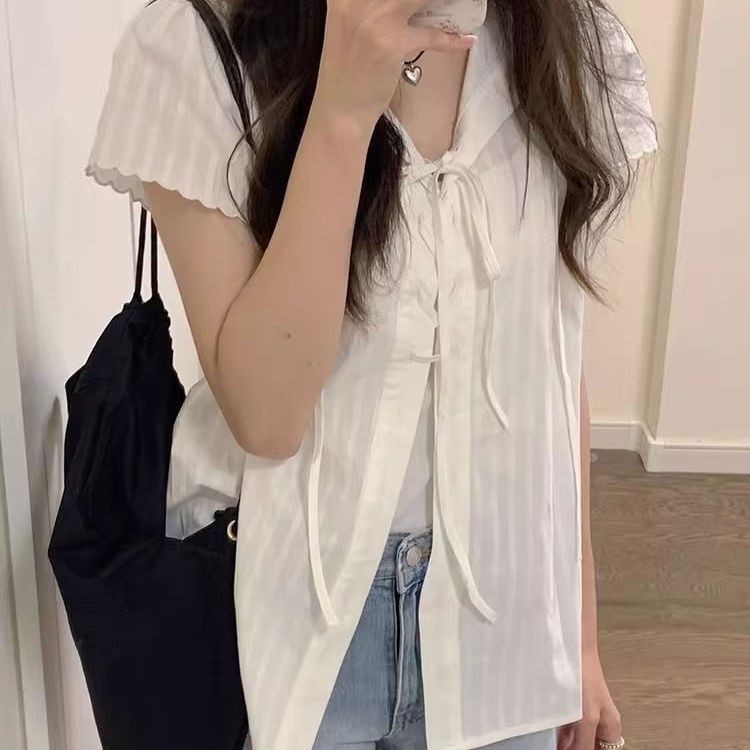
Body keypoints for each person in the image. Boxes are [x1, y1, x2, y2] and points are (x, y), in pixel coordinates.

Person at [85, 1, 658, 749]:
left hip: (504, 622)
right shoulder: (194, 48)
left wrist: (578, 639)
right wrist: (343, 113)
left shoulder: (569, 44)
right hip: (285, 625)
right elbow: (267, 415)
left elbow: (548, 364)